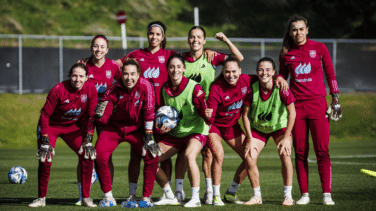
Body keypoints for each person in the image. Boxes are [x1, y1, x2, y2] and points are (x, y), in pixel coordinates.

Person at [177, 26, 244, 205]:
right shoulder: (181, 60)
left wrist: (225, 41)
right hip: (188, 112)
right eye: (192, 37)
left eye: (199, 37)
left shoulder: (211, 57)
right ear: (188, 39)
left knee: (208, 154)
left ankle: (209, 193)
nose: (195, 40)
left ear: (205, 40)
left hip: (208, 111)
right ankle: (179, 192)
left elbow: (238, 59)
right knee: (186, 153)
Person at [279, 15, 342, 205]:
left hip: (318, 105)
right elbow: (282, 79)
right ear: (290, 32)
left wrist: (336, 98)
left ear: (307, 30)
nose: (298, 33)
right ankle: (304, 194)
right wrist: (278, 79)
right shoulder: (286, 53)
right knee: (300, 152)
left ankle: (326, 194)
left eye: (301, 29)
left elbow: (330, 73)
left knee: (322, 151)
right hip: (296, 108)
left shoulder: (319, 48)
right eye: (294, 30)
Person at [28, 63, 98, 208]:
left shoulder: (91, 89)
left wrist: (89, 137)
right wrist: (45, 138)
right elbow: (45, 115)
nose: (77, 79)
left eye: (80, 76)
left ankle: (85, 198)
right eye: (74, 76)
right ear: (69, 76)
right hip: (51, 126)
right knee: (45, 159)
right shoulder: (58, 89)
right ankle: (41, 199)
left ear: (86, 78)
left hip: (73, 127)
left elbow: (91, 116)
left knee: (87, 155)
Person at [93, 60, 159, 208]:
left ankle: (146, 197)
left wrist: (148, 137)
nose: (129, 77)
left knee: (151, 155)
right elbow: (105, 116)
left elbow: (149, 111)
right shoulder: (113, 89)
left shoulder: (146, 86)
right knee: (100, 154)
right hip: (114, 128)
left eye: (132, 74)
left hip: (136, 129)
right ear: (121, 75)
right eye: (126, 74)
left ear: (139, 75)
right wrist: (100, 117)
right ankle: (108, 196)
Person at [153, 54, 209, 208]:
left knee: (190, 155)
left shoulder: (194, 87)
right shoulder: (164, 89)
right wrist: (160, 128)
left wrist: (206, 113)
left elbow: (207, 118)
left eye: (178, 66)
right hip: (175, 134)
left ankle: (195, 198)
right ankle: (170, 195)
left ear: (184, 68)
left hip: (195, 132)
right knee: (151, 159)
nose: (175, 70)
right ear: (167, 69)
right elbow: (161, 114)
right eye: (171, 67)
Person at [241, 57, 296, 206]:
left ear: (273, 72)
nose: (264, 72)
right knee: (250, 156)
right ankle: (257, 196)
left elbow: (292, 112)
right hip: (259, 128)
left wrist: (286, 138)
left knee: (285, 153)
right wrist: (250, 138)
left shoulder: (282, 88)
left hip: (279, 127)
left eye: (267, 70)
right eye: (260, 69)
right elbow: (244, 115)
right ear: (257, 72)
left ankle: (288, 196)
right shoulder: (252, 90)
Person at [75, 34, 121, 206]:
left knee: (105, 156)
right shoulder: (83, 65)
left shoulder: (113, 67)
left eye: (102, 47)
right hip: (85, 115)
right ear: (91, 47)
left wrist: (113, 104)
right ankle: (82, 196)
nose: (98, 50)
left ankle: (108, 194)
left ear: (107, 50)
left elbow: (122, 85)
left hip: (105, 116)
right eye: (95, 46)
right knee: (83, 154)